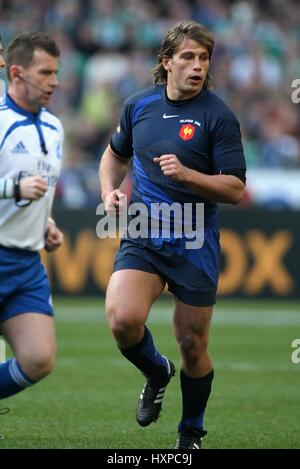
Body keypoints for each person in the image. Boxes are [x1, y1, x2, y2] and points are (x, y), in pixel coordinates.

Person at [99, 20, 246, 449]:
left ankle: (190, 434)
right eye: (187, 57)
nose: (197, 66)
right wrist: (109, 191)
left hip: (195, 242)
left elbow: (235, 188)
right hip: (144, 235)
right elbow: (113, 154)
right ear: (167, 63)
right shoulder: (138, 106)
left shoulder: (218, 116)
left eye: (203, 58)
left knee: (192, 344)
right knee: (123, 320)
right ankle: (155, 371)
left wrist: (187, 174)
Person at [0, 32, 64, 406]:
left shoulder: (55, 128)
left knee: (39, 359)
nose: (54, 81)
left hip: (25, 264)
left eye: (56, 72)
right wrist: (12, 189)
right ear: (18, 73)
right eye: (46, 73)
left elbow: (40, 190)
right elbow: (17, 186)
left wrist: (47, 223)